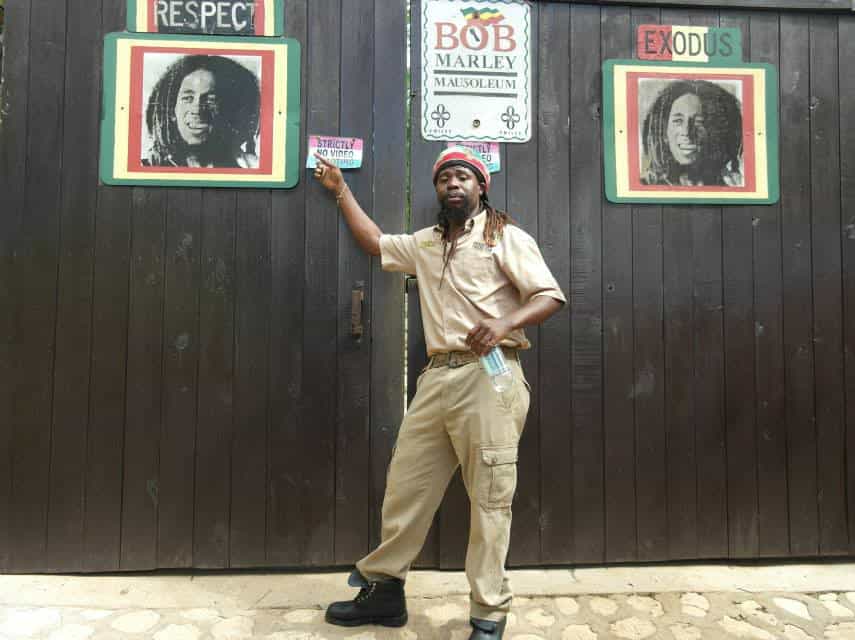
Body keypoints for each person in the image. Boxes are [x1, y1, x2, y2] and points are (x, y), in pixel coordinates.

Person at [313, 147, 565, 640]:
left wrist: (503, 322)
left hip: (490, 377)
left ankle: (488, 614)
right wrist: (341, 190)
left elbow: (548, 295)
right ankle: (385, 591)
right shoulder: (426, 244)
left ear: (481, 187)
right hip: (437, 377)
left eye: (463, 177)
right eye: (445, 177)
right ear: (437, 189)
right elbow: (375, 243)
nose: (453, 183)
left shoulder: (503, 236)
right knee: (406, 485)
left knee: (491, 501)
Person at [142, 54, 260, 168]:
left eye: (210, 100)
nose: (197, 109)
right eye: (188, 98)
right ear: (172, 111)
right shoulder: (145, 169)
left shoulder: (251, 167)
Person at [640, 79, 743, 187]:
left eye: (699, 122)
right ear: (664, 131)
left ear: (715, 132)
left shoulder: (734, 185)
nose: (687, 132)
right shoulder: (646, 186)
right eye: (678, 121)